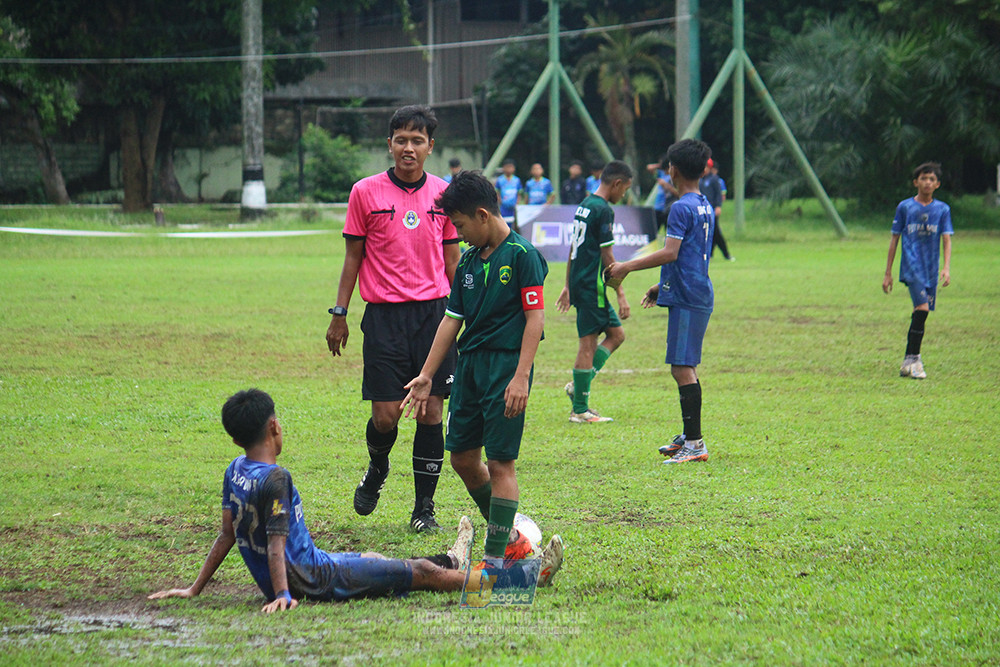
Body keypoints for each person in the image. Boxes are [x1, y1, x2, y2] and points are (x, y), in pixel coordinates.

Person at [147, 389, 564, 613]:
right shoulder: (276, 478)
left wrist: (193, 589)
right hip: (314, 578)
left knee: (370, 556)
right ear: (274, 426)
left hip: (315, 563)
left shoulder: (235, 469)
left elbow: (226, 534)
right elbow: (275, 545)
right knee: (419, 573)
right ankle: (524, 581)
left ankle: (454, 558)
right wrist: (282, 595)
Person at [401, 171, 553, 565]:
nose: (458, 233)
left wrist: (521, 377)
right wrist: (427, 374)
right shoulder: (468, 261)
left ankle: (497, 558)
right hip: (469, 368)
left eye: (460, 224)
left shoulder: (523, 257)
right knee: (463, 458)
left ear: (483, 215)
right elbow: (452, 319)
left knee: (501, 461)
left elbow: (534, 320)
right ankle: (511, 538)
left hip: (506, 369)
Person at [326, 105, 460, 534]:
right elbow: (353, 257)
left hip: (434, 317)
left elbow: (453, 260)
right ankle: (378, 467)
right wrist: (340, 313)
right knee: (385, 416)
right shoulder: (364, 191)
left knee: (431, 412)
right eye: (400, 139)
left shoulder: (444, 194)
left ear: (430, 147)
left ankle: (424, 509)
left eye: (417, 140)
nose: (408, 147)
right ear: (389, 144)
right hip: (382, 317)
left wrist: (467, 315)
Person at [605, 139, 715, 464]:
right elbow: (692, 256)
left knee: (681, 367)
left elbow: (671, 252)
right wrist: (661, 285)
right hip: (694, 290)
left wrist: (626, 266)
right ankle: (689, 435)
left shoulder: (680, 207)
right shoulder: (703, 203)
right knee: (687, 365)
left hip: (688, 296)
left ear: (673, 169)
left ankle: (695, 443)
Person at [556, 160, 633, 423]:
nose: (623, 196)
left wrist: (567, 284)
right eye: (625, 190)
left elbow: (573, 248)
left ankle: (579, 388)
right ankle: (580, 409)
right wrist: (620, 293)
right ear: (617, 183)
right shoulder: (603, 210)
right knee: (588, 343)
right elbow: (607, 255)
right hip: (591, 285)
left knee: (616, 334)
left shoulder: (585, 205)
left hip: (580, 282)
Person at [882, 161, 953, 379]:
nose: (927, 182)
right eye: (923, 178)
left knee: (919, 314)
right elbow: (894, 239)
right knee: (922, 309)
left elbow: (946, 240)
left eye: (932, 179)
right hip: (911, 267)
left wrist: (946, 268)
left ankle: (908, 361)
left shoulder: (942, 209)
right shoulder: (905, 207)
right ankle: (914, 360)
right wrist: (888, 272)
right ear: (916, 182)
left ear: (937, 184)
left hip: (930, 268)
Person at [699, 158, 734, 261]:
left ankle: (726, 254)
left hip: (712, 210)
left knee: (715, 232)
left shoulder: (714, 179)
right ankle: (709, 254)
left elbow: (718, 194)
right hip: (703, 210)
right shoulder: (700, 180)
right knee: (708, 232)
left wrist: (718, 206)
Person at [646, 155, 679, 236]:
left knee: (668, 232)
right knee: (653, 232)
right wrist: (660, 165)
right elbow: (649, 167)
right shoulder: (661, 174)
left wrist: (666, 186)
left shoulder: (673, 177)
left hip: (667, 208)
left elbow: (678, 194)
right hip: (657, 207)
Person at [495, 158, 522, 226]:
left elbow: (519, 193)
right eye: (507, 167)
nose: (509, 169)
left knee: (514, 223)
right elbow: (497, 191)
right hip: (503, 206)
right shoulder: (500, 180)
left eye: (511, 167)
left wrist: (517, 203)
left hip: (514, 206)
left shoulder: (517, 180)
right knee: (504, 222)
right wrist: (500, 201)